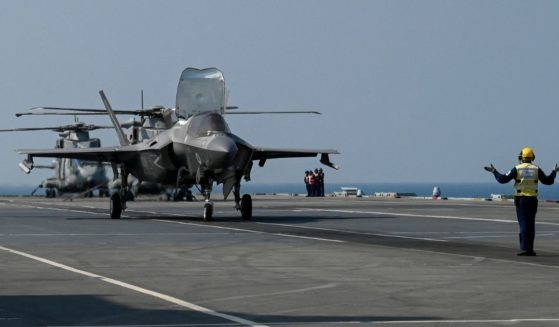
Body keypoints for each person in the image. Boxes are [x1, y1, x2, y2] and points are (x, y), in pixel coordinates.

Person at [484, 147, 559, 256]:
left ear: (521, 157)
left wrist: (494, 171)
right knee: (530, 224)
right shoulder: (536, 169)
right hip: (533, 200)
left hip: (521, 200)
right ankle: (530, 249)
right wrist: (554, 171)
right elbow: (548, 181)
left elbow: (502, 179)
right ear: (532, 157)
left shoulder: (517, 168)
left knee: (523, 224)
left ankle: (525, 249)